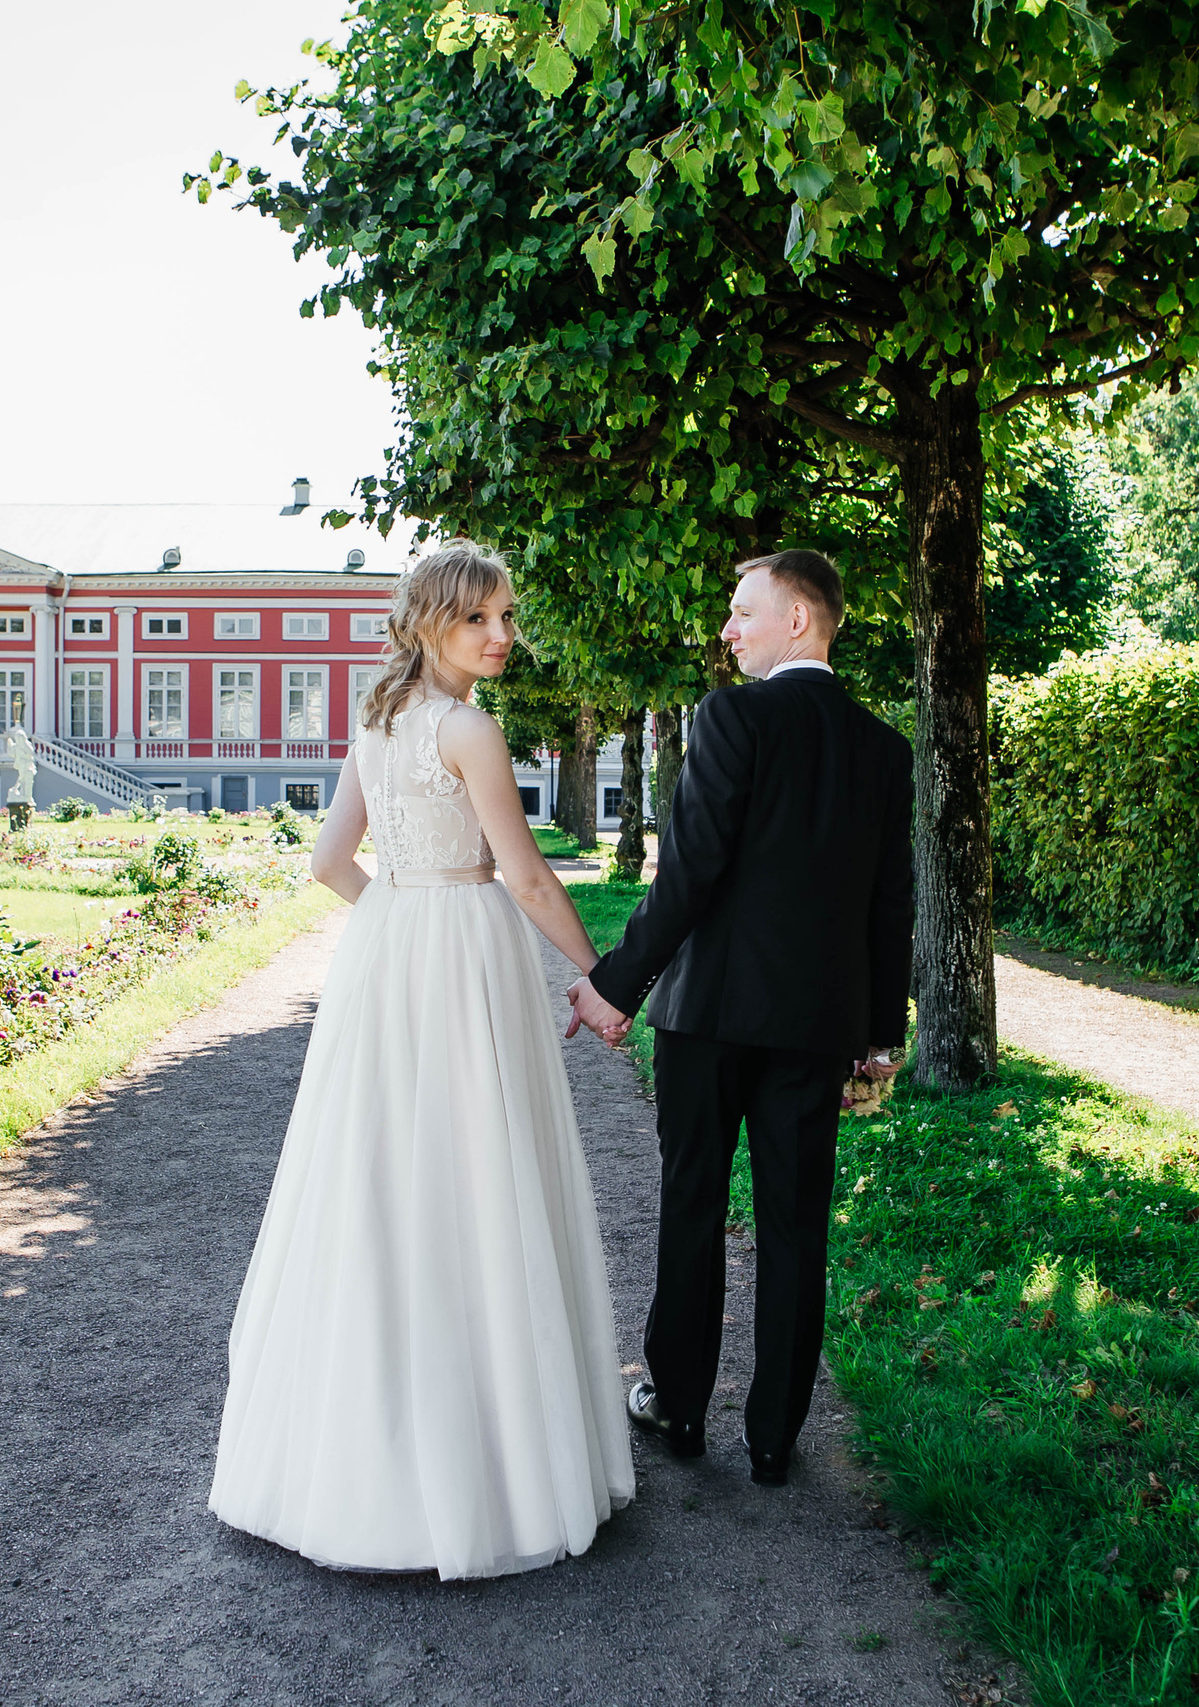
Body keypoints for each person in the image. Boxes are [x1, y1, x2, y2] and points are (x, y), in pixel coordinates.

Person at [208, 541, 634, 1579]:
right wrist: (603, 976)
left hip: (390, 955)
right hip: (466, 957)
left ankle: (357, 1465)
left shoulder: (375, 720)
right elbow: (526, 879)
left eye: (506, 616)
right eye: (480, 618)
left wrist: (401, 920)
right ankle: (497, 1461)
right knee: (479, 1171)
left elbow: (329, 864)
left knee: (381, 1178)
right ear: (429, 622)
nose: (502, 635)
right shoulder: (467, 729)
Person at [568, 549, 914, 1487]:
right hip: (817, 1026)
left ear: (797, 619)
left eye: (742, 611)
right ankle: (774, 1436)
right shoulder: (884, 748)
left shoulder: (731, 717)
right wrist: (881, 1032)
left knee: (693, 1201)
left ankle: (679, 1406)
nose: (727, 630)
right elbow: (891, 903)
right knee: (796, 1222)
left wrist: (615, 983)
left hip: (710, 1016)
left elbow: (688, 874)